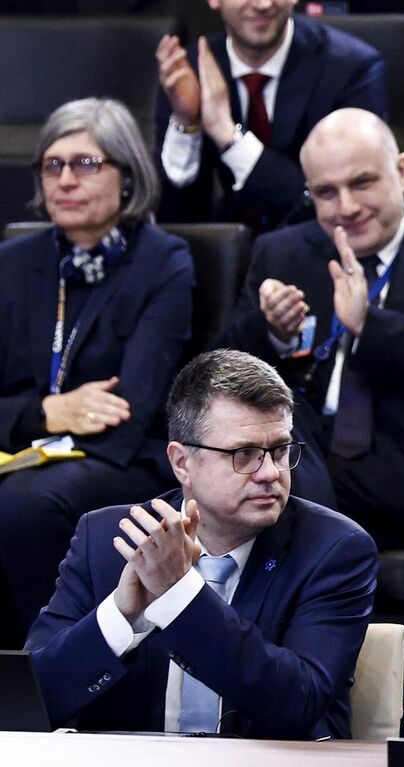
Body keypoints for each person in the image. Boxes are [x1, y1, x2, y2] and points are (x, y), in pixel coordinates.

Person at [212, 108, 404, 603]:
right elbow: (218, 377)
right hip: (311, 458)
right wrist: (271, 333)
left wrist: (369, 326)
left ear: (401, 171)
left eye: (363, 183)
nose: (347, 207)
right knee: (264, 438)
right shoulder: (283, 253)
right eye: (326, 193)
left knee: (271, 457)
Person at [26, 349, 378, 738]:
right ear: (182, 463)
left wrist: (180, 594)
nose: (270, 473)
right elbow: (31, 703)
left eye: (280, 450)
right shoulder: (108, 538)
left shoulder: (334, 549)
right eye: (244, 454)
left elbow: (298, 704)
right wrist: (120, 615)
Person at [0, 98, 194, 640]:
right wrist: (47, 411)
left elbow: (131, 408)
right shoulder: (13, 263)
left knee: (26, 505)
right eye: (52, 165)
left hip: (126, 457)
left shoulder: (163, 261)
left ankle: (55, 662)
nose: (64, 179)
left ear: (127, 177)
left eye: (85, 163)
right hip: (28, 452)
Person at [153, 0, 387, 229]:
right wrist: (186, 122)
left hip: (320, 246)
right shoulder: (187, 70)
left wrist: (227, 136)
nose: (263, 4)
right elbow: (176, 218)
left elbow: (337, 204)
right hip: (231, 249)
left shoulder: (351, 69)